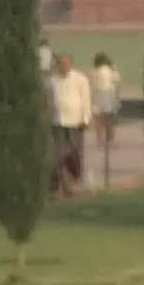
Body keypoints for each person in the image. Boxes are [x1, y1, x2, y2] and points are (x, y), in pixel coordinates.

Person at [49, 57, 91, 198]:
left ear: (71, 65)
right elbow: (49, 100)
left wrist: (86, 118)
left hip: (75, 122)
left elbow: (86, 99)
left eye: (66, 64)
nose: (64, 66)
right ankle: (61, 185)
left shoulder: (80, 79)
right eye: (61, 64)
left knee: (74, 154)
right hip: (58, 122)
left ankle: (73, 182)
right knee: (58, 155)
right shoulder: (52, 80)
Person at [85, 57, 121, 184]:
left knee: (98, 121)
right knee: (110, 121)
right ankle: (110, 140)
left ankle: (99, 140)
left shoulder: (93, 71)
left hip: (97, 96)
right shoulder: (111, 70)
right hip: (109, 95)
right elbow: (117, 81)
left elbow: (89, 82)